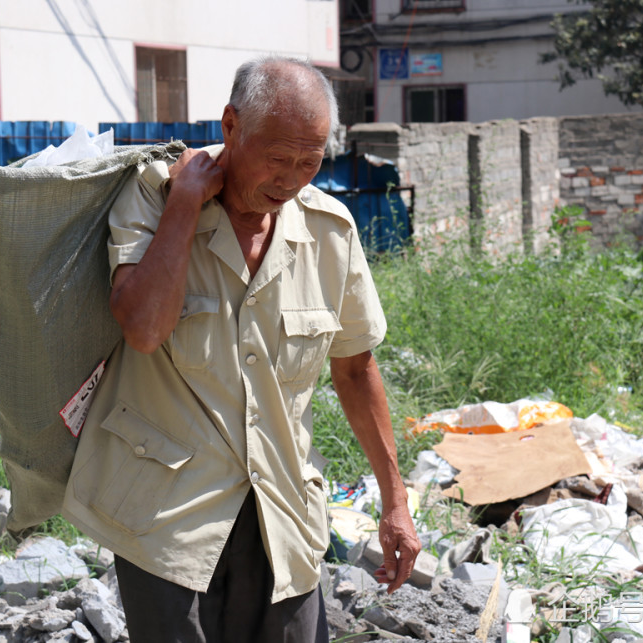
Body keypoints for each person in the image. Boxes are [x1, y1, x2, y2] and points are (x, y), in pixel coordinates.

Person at [62, 56, 420, 643]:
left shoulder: (330, 232)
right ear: (231, 126)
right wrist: (184, 204)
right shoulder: (153, 199)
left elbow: (355, 370)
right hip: (167, 517)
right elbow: (144, 329)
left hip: (282, 512)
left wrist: (395, 502)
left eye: (310, 162)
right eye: (278, 158)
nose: (291, 179)